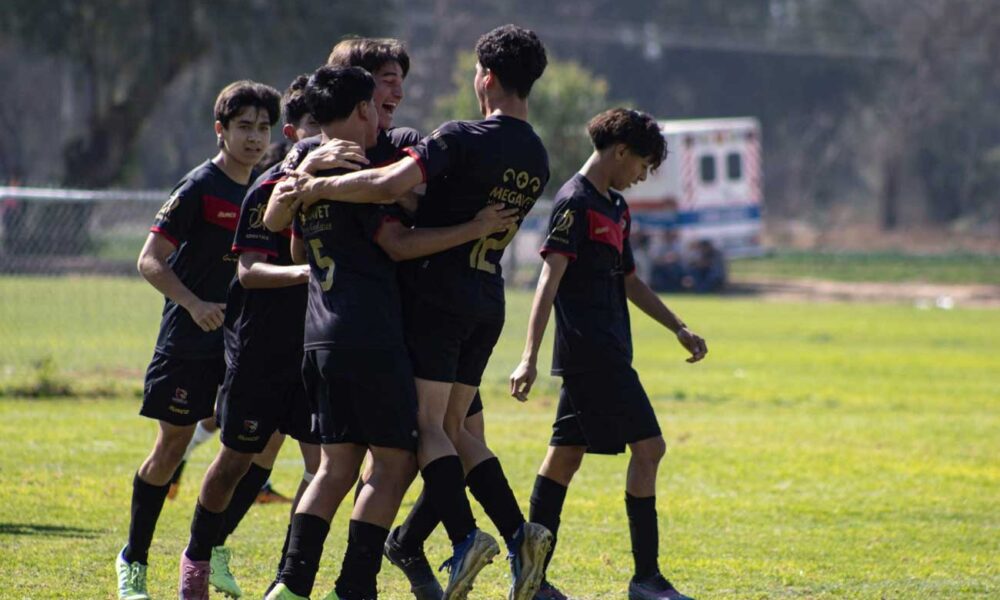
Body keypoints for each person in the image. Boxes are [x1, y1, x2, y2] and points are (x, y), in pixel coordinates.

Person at [276, 24, 554, 600]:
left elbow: (387, 186)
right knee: (455, 430)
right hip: (488, 297)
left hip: (434, 300)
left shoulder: (460, 136)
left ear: (486, 78)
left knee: (424, 433)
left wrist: (314, 186)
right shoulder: (537, 154)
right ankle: (518, 532)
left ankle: (464, 540)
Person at [509, 108, 708, 600]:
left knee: (563, 459)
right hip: (592, 353)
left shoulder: (616, 207)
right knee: (650, 448)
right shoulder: (574, 203)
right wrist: (529, 355)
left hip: (611, 348)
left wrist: (678, 327)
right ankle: (646, 579)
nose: (642, 177)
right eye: (642, 165)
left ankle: (531, 581)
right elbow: (547, 280)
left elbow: (629, 280)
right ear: (620, 151)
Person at [177, 74, 344, 600]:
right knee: (234, 461)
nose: (325, 139)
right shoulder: (268, 187)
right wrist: (306, 275)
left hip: (314, 350)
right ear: (296, 133)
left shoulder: (342, 187)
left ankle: (287, 579)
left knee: (321, 468)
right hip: (261, 351)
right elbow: (248, 272)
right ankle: (197, 560)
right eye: (316, 128)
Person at [116, 80, 281, 600]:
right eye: (244, 128)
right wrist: (193, 303)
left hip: (241, 343)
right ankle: (134, 562)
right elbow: (148, 260)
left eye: (262, 128)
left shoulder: (264, 189)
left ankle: (206, 554)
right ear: (221, 130)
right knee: (172, 449)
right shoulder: (198, 187)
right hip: (188, 339)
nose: (255, 138)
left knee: (251, 450)